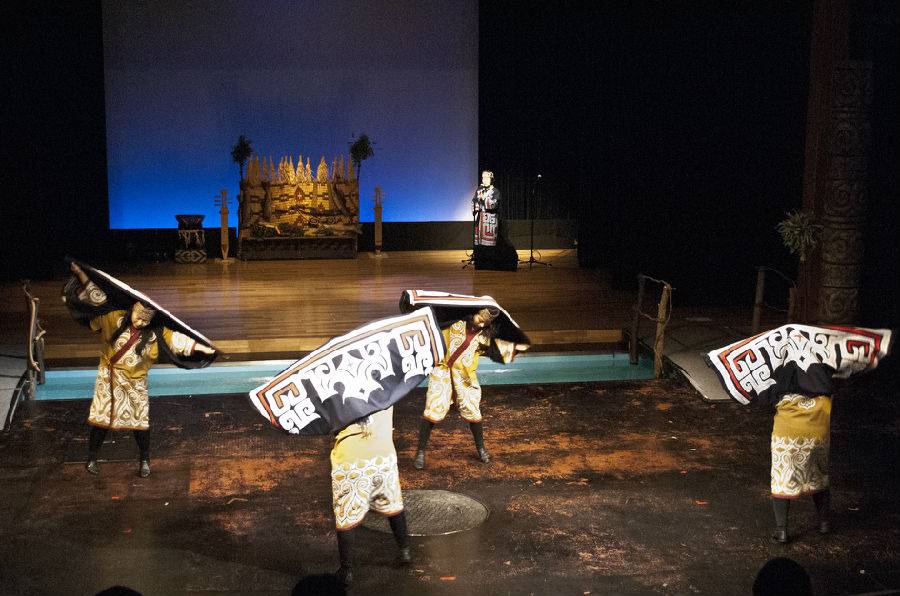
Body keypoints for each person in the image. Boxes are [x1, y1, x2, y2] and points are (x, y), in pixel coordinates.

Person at [65, 262, 216, 477]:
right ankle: (92, 458)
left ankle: (144, 460)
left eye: (145, 320)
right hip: (109, 379)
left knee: (139, 423)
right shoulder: (115, 317)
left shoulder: (156, 333)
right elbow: (97, 297)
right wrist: (81, 274)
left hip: (135, 382)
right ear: (132, 309)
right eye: (138, 316)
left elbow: (178, 340)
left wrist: (203, 348)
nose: (140, 322)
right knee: (101, 420)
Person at [414, 307, 525, 469]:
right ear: (474, 313)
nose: (481, 323)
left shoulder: (484, 337)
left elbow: (504, 348)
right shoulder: (454, 324)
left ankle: (481, 448)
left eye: (485, 322)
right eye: (480, 318)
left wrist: (515, 340)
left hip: (465, 377)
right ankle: (420, 452)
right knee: (432, 409)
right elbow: (433, 330)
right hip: (442, 372)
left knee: (473, 410)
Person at [330, 406, 410, 586]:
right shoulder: (385, 389)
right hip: (383, 455)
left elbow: (330, 423)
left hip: (351, 461)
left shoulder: (336, 395)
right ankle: (405, 552)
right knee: (392, 501)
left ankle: (347, 571)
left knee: (346, 512)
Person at [769, 392, 833, 543]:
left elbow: (767, 394)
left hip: (788, 433)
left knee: (782, 478)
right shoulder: (821, 374)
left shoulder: (782, 375)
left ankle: (781, 531)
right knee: (818, 474)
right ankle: (824, 523)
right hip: (818, 427)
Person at [472, 171, 518, 271]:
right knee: (480, 244)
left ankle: (491, 263)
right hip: (480, 220)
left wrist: (483, 199)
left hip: (490, 220)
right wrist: (477, 202)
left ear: (491, 179)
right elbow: (474, 201)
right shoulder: (479, 190)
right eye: (483, 177)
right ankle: (481, 263)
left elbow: (494, 204)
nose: (484, 180)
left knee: (490, 244)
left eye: (487, 178)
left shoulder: (495, 191)